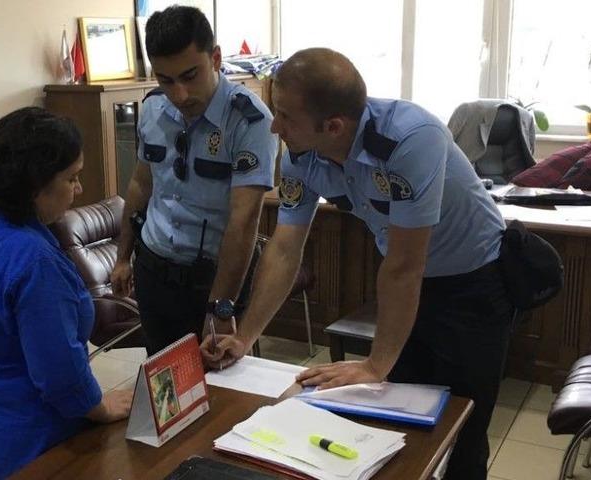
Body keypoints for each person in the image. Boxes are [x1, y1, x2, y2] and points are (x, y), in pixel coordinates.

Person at [203, 48, 513, 480]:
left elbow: (405, 265)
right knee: (398, 423)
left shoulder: (409, 139)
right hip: (409, 286)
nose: (275, 126)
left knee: (462, 432)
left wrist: (374, 364)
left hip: (473, 285)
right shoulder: (301, 154)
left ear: (333, 126)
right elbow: (285, 247)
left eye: (285, 116)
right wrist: (245, 335)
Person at [0, 107, 133, 480]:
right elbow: (59, 374)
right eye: (72, 178)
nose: (79, 190)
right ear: (34, 183)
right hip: (27, 444)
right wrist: (100, 407)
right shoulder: (33, 260)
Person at [109, 5, 277, 354]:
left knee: (217, 377)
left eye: (190, 76)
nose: (180, 94)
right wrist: (123, 257)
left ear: (215, 58)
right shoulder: (153, 109)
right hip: (153, 270)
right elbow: (141, 184)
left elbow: (244, 221)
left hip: (212, 281)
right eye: (166, 80)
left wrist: (221, 307)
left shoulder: (249, 120)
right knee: (162, 374)